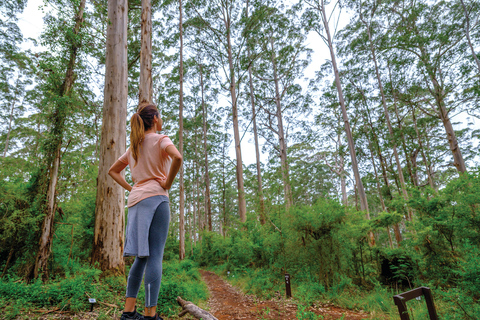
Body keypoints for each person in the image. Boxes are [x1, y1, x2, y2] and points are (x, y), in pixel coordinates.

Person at [108, 103, 182, 320]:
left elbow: (113, 171)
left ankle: (128, 312)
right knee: (155, 256)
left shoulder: (134, 146)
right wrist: (166, 183)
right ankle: (150, 314)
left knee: (141, 257)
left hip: (136, 200)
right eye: (161, 116)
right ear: (156, 118)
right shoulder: (161, 139)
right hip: (157, 198)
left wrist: (133, 188)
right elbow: (177, 157)